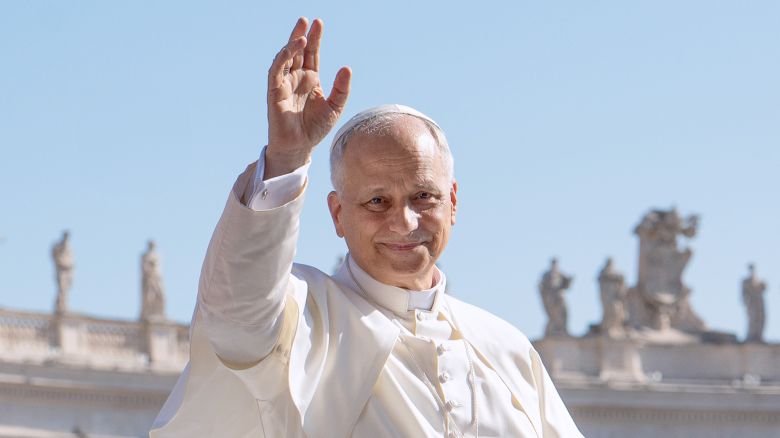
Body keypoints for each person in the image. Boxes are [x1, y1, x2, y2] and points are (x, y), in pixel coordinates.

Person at [151, 17, 582, 438]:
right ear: (338, 215)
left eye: (424, 197)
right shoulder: (301, 317)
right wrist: (286, 159)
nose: (404, 221)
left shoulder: (507, 347)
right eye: (378, 201)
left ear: (452, 202)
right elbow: (233, 320)